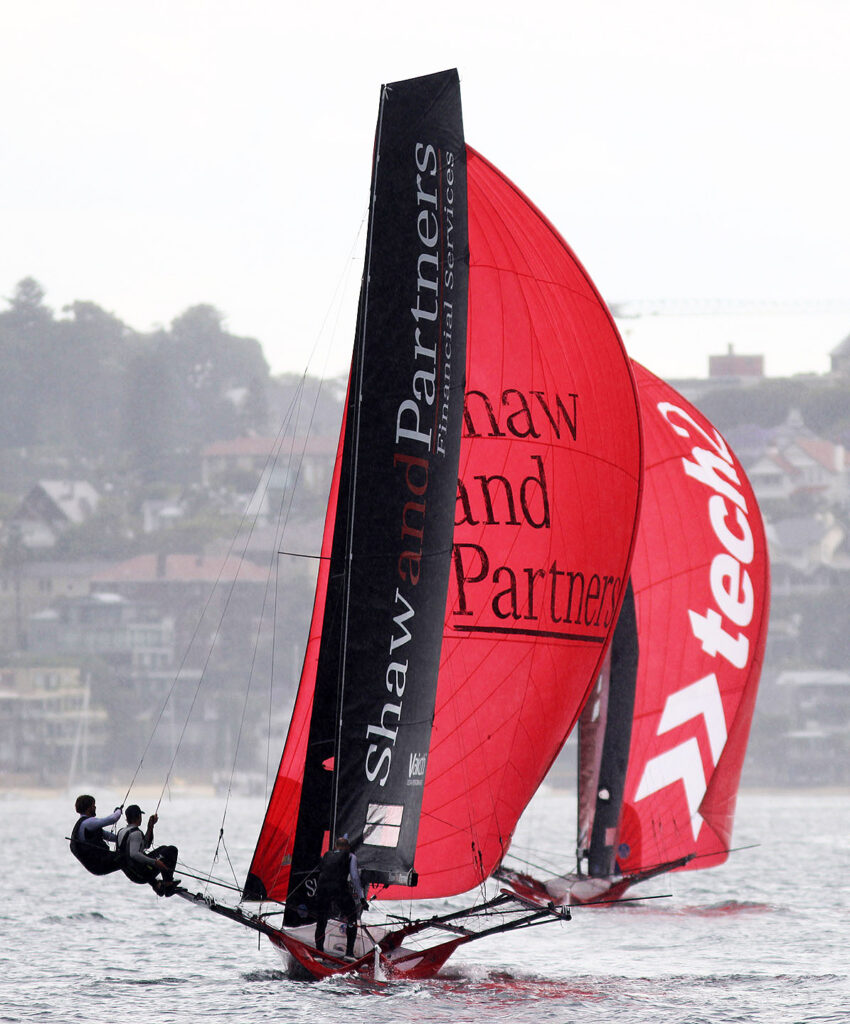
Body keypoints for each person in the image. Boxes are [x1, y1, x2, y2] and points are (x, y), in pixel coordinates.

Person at [313, 836, 368, 959]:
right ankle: (349, 953)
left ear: (335, 847)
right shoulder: (351, 856)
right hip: (339, 889)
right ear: (348, 847)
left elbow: (321, 871)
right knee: (351, 917)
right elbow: (354, 877)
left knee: (321, 921)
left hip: (322, 889)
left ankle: (319, 953)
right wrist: (362, 899)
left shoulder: (326, 855)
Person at [116, 804, 180, 897]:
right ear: (139, 817)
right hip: (140, 874)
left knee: (163, 849)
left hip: (131, 872)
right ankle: (168, 885)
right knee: (172, 850)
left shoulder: (122, 831)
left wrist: (150, 826)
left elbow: (145, 845)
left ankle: (157, 886)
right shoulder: (136, 833)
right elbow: (134, 854)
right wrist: (155, 862)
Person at [70, 794, 123, 876]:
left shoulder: (85, 824)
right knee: (128, 857)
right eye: (93, 805)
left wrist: (123, 838)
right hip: (99, 864)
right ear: (88, 808)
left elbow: (106, 835)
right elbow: (113, 819)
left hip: (96, 865)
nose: (95, 807)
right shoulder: (88, 823)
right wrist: (118, 811)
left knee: (126, 858)